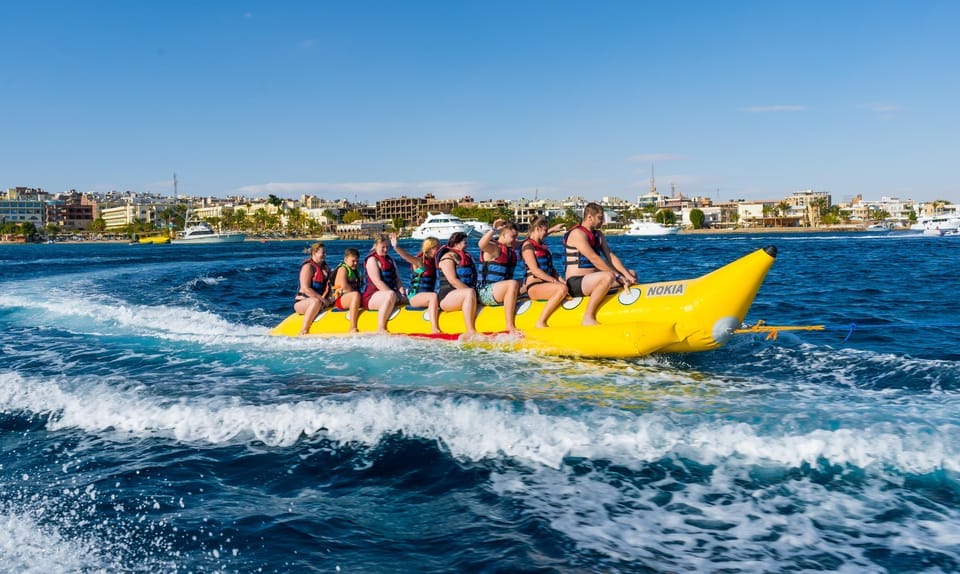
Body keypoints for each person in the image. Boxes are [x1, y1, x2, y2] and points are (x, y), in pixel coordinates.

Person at [563, 202, 638, 326]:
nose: (602, 221)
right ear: (589, 217)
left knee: (632, 273)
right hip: (576, 283)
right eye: (600, 218)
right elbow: (594, 258)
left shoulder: (598, 235)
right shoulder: (577, 234)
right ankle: (588, 317)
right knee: (608, 276)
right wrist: (618, 276)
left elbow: (610, 256)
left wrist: (626, 275)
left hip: (593, 280)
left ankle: (623, 309)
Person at [520, 216, 569, 328]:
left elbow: (553, 270)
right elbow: (535, 271)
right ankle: (540, 322)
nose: (546, 233)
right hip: (534, 286)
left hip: (546, 285)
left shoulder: (541, 246)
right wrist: (555, 282)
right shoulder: (527, 246)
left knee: (566, 286)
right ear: (537, 228)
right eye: (545, 230)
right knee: (562, 289)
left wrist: (564, 281)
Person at [389, 233, 441, 334]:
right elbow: (406, 256)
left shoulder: (433, 261)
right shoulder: (419, 261)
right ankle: (434, 328)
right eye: (436, 248)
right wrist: (396, 247)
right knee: (433, 296)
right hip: (415, 297)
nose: (439, 250)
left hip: (425, 296)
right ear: (430, 248)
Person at [477, 218, 521, 333]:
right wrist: (494, 229)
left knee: (527, 282)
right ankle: (509, 325)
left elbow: (529, 240)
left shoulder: (509, 248)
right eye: (513, 237)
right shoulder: (494, 248)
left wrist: (550, 231)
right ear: (504, 235)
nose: (515, 240)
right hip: (485, 292)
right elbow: (481, 244)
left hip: (499, 291)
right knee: (512, 283)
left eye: (516, 237)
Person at [436, 231, 479, 337]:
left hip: (461, 294)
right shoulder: (447, 258)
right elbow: (453, 281)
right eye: (464, 242)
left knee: (470, 292)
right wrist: (473, 293)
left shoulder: (464, 256)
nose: (466, 245)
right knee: (469, 292)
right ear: (456, 244)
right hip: (447, 297)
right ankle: (470, 330)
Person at [361, 235, 404, 333]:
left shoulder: (390, 260)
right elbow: (377, 282)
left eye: (387, 247)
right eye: (383, 247)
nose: (385, 250)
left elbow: (397, 279)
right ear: (376, 246)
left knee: (406, 295)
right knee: (391, 295)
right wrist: (394, 295)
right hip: (372, 297)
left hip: (389, 294)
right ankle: (380, 327)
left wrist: (402, 294)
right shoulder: (372, 260)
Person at [294, 242, 332, 335]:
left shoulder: (325, 268)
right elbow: (305, 288)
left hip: (321, 301)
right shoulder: (308, 267)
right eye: (323, 253)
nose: (325, 255)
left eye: (325, 253)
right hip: (302, 303)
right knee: (316, 301)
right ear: (314, 253)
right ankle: (304, 329)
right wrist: (322, 299)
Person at [331, 247, 362, 333]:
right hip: (340, 300)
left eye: (357, 261)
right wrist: (358, 296)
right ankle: (352, 326)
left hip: (351, 298)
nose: (355, 263)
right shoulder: (343, 269)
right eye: (353, 261)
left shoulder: (356, 271)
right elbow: (344, 286)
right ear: (345, 260)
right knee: (356, 295)